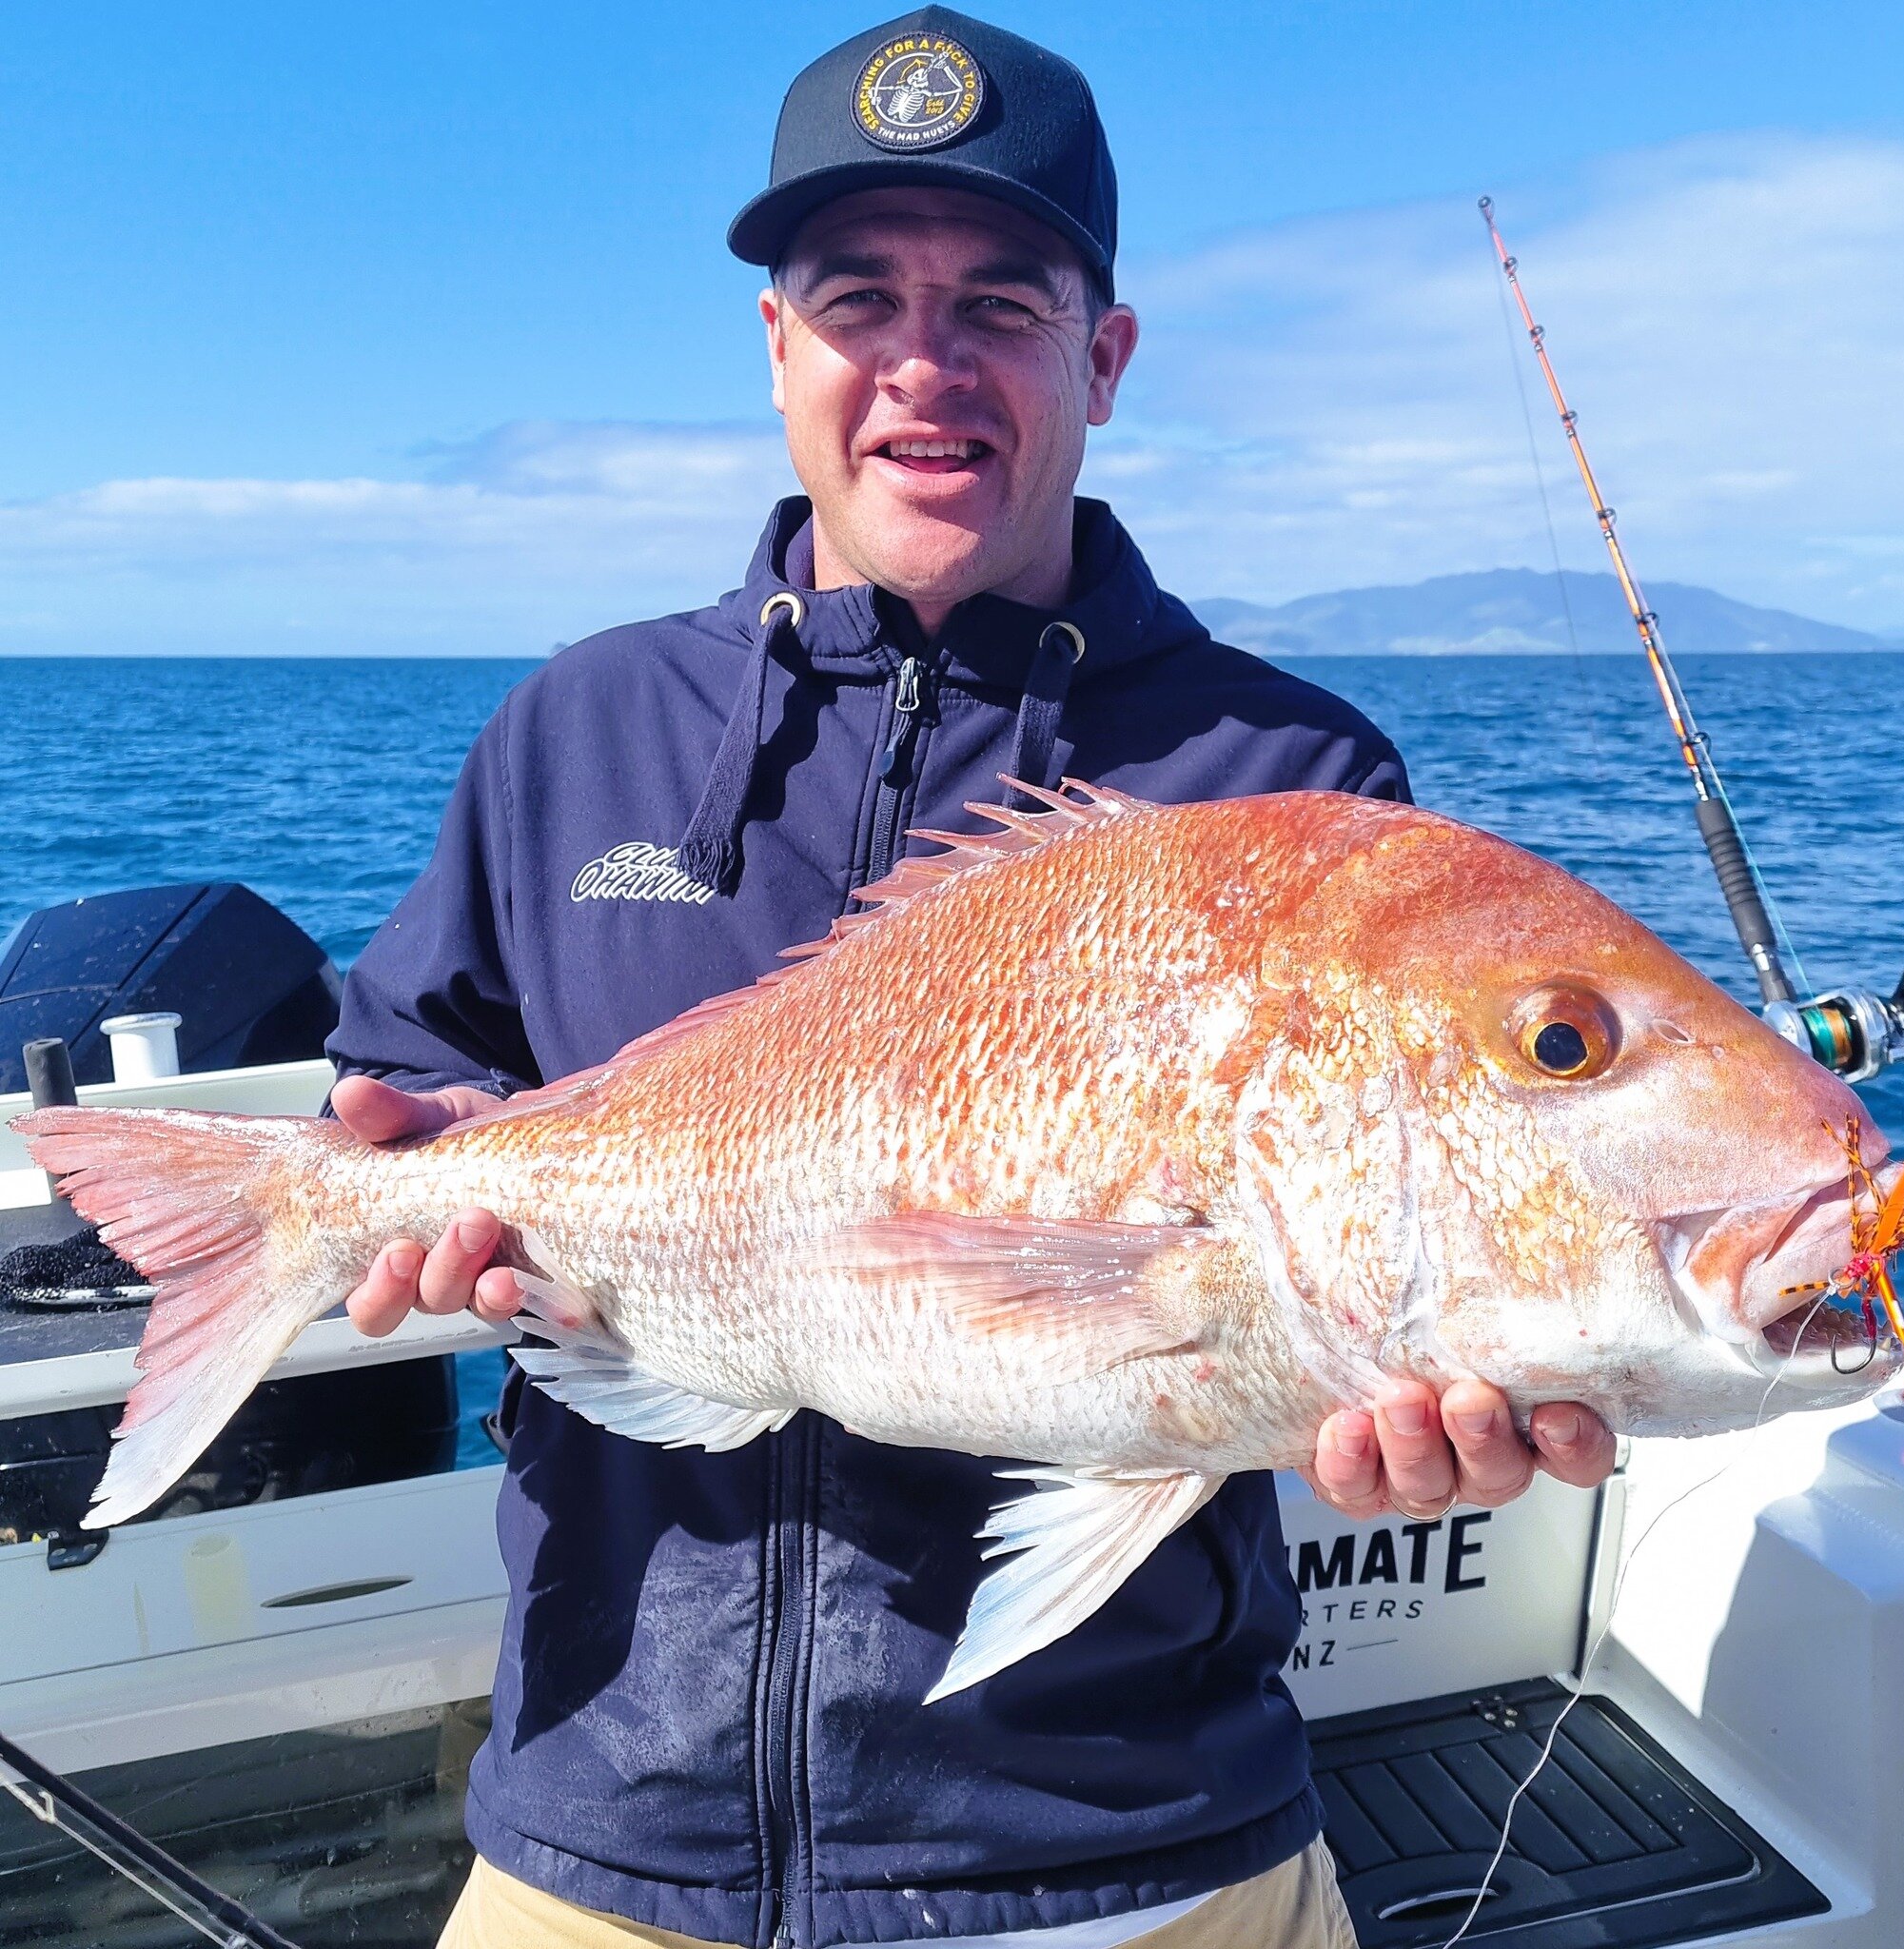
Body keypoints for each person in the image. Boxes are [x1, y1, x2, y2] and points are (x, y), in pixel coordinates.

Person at [325, 11, 1616, 1946]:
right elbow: (416, 1075)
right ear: (779, 351)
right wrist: (398, 1182)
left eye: (1000, 304)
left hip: (1134, 1844)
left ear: (1101, 358)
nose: (924, 366)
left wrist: (1444, 1393)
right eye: (861, 301)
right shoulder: (574, 725)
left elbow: (1333, 1270)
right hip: (608, 1812)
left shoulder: (1291, 784)